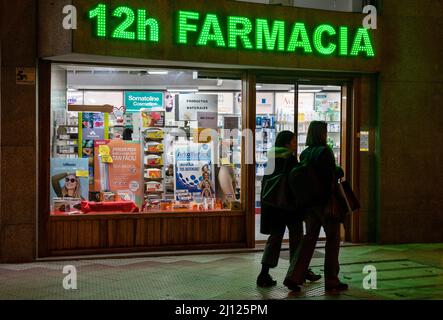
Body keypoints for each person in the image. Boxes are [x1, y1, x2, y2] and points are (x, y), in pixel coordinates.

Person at [284, 121, 347, 292]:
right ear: (322, 133)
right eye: (325, 132)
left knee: (309, 239)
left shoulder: (305, 153)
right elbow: (329, 178)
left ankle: (294, 276)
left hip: (309, 204)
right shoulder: (325, 151)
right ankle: (332, 280)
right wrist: (338, 171)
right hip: (325, 204)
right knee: (333, 240)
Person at [257, 131, 321, 288]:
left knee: (274, 239)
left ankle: (264, 273)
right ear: (286, 144)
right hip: (290, 206)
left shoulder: (271, 158)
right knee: (297, 240)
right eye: (293, 141)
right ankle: (297, 273)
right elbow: (296, 182)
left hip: (275, 206)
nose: (295, 144)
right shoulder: (289, 159)